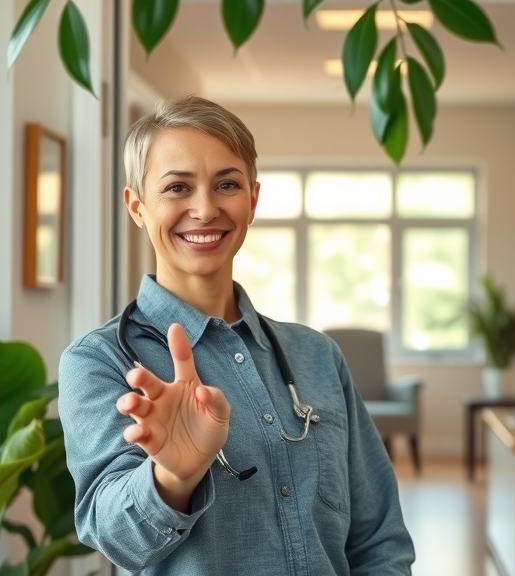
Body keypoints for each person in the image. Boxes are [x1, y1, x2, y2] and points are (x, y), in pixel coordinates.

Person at [58, 95, 416, 575]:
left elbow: (379, 538)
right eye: (177, 188)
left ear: (252, 199)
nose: (205, 209)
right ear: (137, 206)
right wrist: (173, 475)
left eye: (226, 184)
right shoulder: (100, 361)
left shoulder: (317, 356)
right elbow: (113, 536)